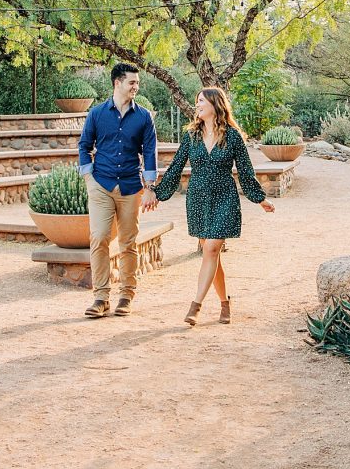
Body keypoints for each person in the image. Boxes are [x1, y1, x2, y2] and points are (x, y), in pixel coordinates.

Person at [153, 87, 274, 326]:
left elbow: (246, 173)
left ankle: (195, 306)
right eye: (196, 100)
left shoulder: (233, 136)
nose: (196, 105)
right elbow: (176, 167)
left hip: (225, 198)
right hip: (198, 199)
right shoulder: (191, 136)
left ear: (214, 104)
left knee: (211, 249)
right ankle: (224, 303)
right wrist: (157, 194)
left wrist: (260, 199)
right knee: (212, 252)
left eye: (200, 101)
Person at [78, 62, 158, 319]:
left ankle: (126, 295)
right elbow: (84, 145)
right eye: (132, 82)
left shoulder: (144, 117)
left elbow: (149, 153)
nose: (136, 86)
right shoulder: (97, 114)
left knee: (128, 242)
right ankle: (101, 298)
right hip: (100, 184)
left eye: (137, 82)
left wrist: (150, 187)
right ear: (117, 83)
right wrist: (89, 177)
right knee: (99, 237)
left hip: (130, 187)